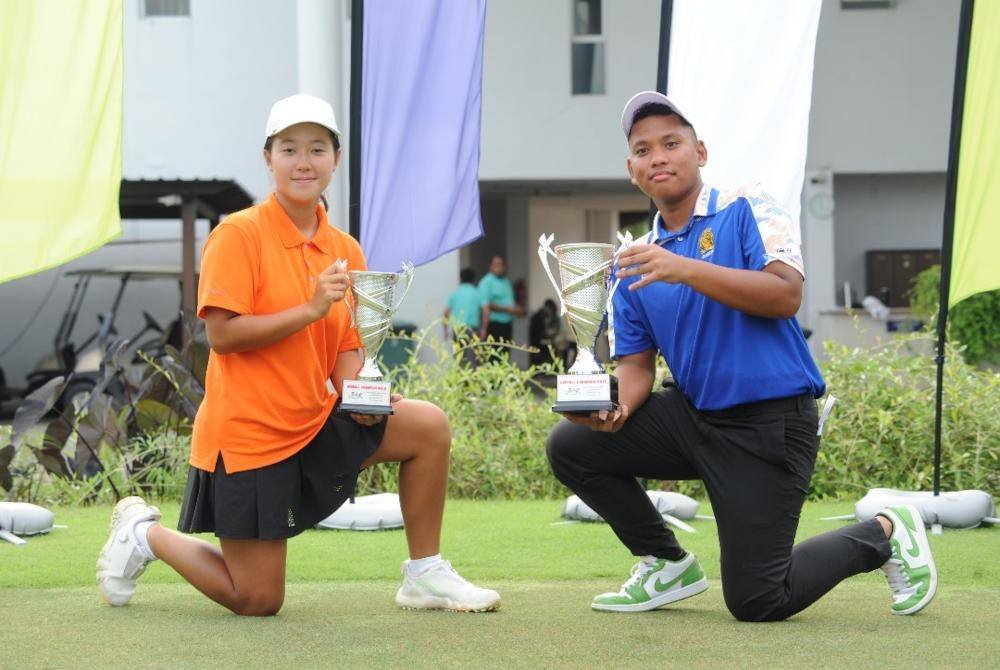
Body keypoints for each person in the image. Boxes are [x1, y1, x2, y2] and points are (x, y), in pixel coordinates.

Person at [96, 94, 500, 615]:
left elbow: (346, 348)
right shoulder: (236, 234)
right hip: (248, 439)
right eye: (288, 149)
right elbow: (222, 335)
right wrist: (308, 309)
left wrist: (363, 392)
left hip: (313, 424)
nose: (303, 161)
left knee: (427, 426)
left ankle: (423, 573)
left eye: (316, 148)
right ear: (269, 159)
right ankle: (145, 535)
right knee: (257, 600)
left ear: (334, 159)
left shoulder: (346, 250)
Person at [545, 91, 937, 621]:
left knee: (759, 600)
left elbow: (784, 295)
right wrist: (615, 411)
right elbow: (635, 368)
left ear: (699, 152)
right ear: (631, 169)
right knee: (572, 444)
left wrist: (684, 268)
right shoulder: (632, 263)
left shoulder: (748, 206)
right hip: (694, 417)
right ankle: (665, 563)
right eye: (643, 149)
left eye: (671, 143)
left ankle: (886, 531)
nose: (658, 156)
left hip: (769, 422)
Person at [477, 255, 524, 342]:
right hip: (494, 324)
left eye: (501, 265)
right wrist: (483, 328)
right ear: (490, 266)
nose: (499, 267)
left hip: (507, 324)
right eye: (496, 265)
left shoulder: (505, 281)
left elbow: (509, 301)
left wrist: (517, 309)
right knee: (494, 354)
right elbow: (486, 306)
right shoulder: (486, 282)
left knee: (506, 353)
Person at [443, 267, 486, 341]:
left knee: (459, 352)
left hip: (458, 330)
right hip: (473, 330)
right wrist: (483, 329)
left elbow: (446, 313)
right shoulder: (477, 293)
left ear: (460, 278)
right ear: (473, 279)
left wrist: (445, 330)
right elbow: (486, 311)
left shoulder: (455, 294)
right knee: (472, 352)